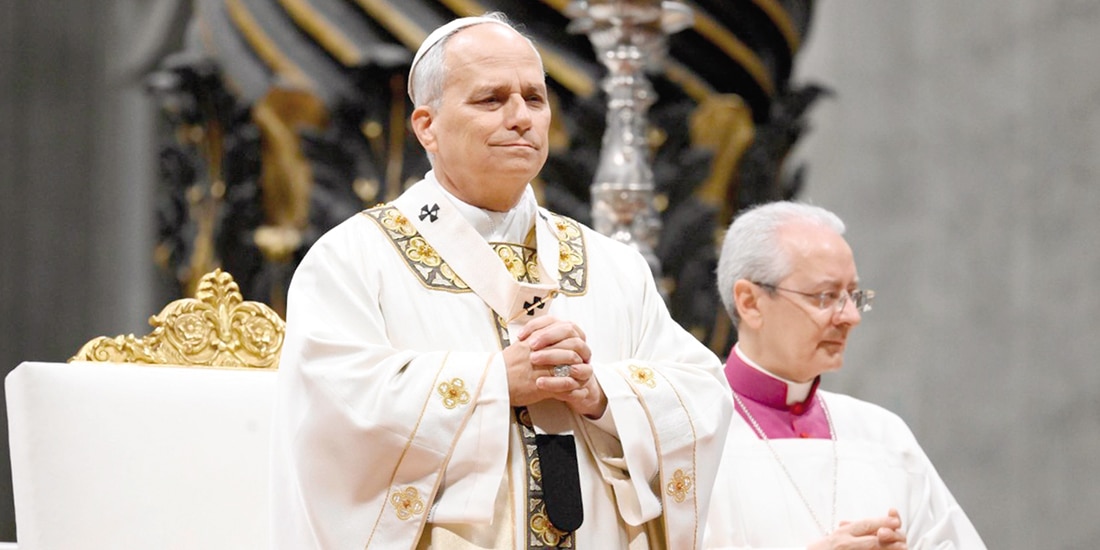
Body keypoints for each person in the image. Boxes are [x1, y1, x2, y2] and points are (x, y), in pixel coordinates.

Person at [269, 12, 732, 550]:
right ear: (427, 126)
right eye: (491, 100)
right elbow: (330, 410)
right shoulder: (353, 259)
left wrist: (602, 394)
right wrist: (493, 382)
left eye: (534, 98)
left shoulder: (611, 265)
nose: (521, 118)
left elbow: (701, 393)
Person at [704, 201, 986, 549]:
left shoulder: (884, 437)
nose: (851, 316)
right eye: (825, 296)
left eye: (853, 296)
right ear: (750, 302)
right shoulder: (692, 436)